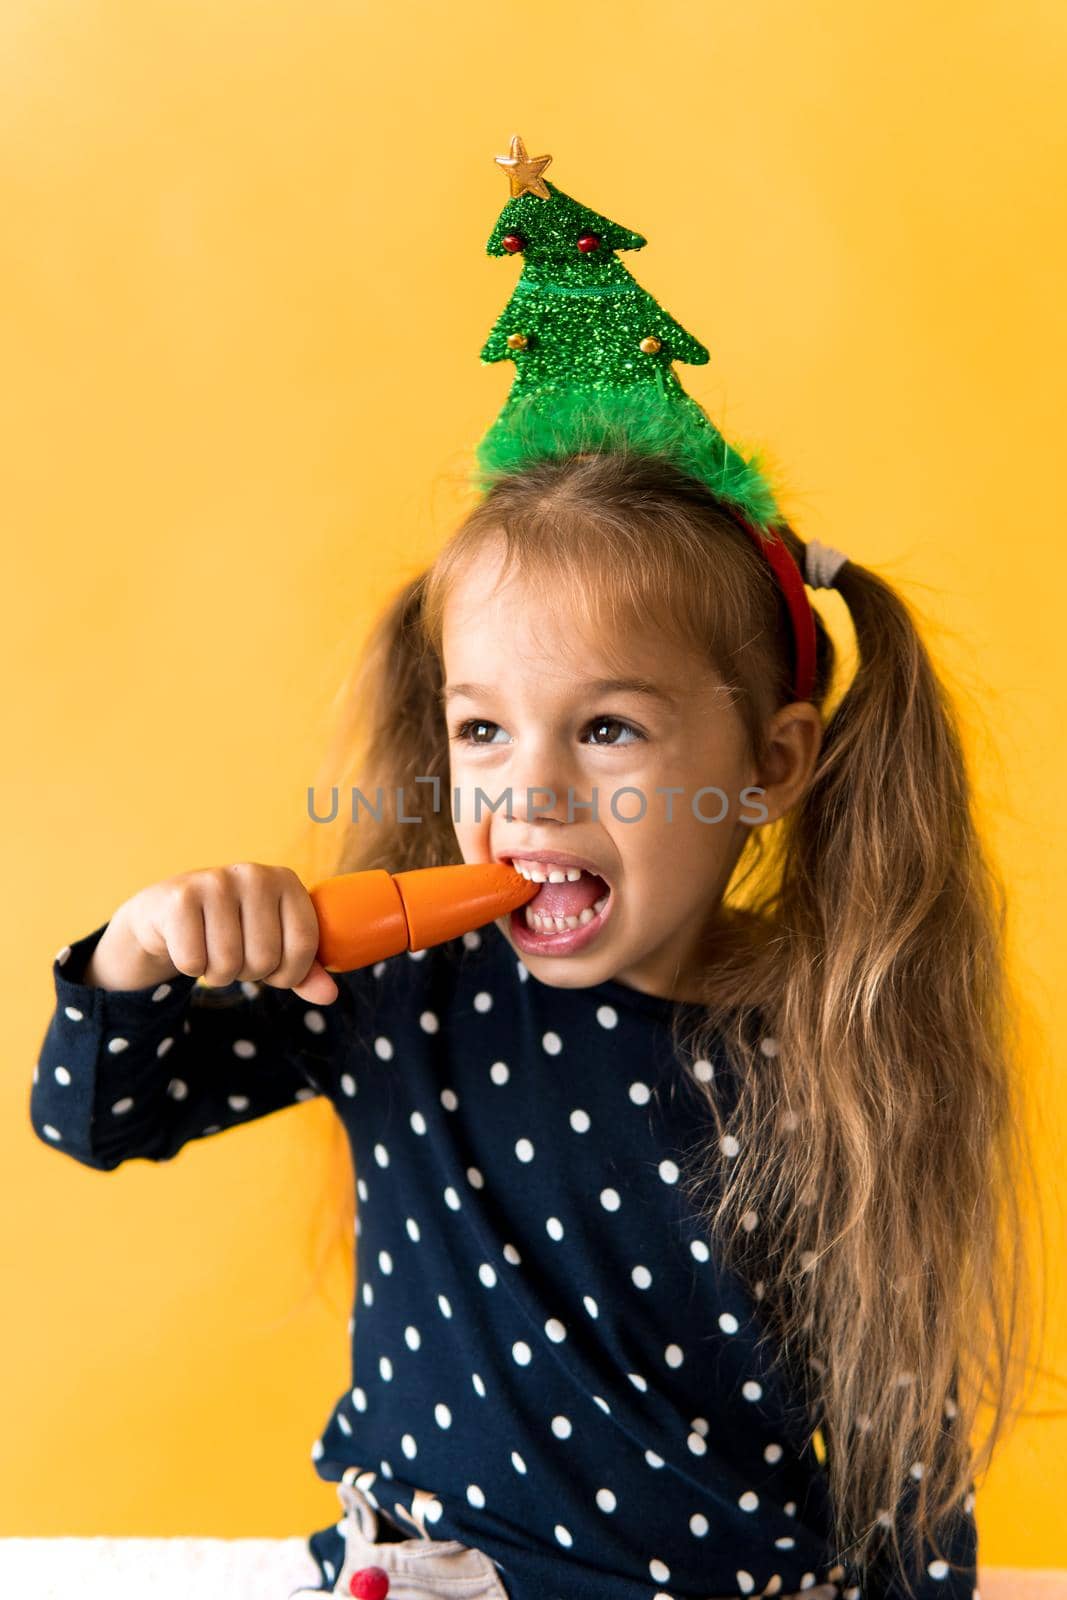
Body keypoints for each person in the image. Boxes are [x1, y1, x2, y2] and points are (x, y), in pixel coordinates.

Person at [30, 140, 1035, 1600]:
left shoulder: (834, 1040)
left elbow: (902, 1462)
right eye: (486, 730)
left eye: (611, 727)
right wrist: (143, 949)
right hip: (417, 1575)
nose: (532, 791)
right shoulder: (388, 986)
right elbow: (94, 1115)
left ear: (772, 764)